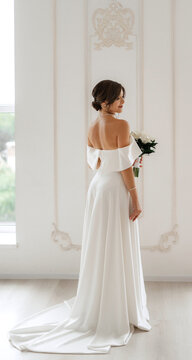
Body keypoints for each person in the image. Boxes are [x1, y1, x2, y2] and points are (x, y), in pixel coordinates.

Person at [8, 79, 151, 354]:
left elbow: (96, 162)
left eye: (124, 98)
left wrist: (129, 161)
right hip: (114, 189)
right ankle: (118, 309)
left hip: (98, 187)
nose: (123, 103)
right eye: (119, 98)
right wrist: (136, 198)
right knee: (116, 242)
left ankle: (100, 303)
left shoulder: (91, 127)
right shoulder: (121, 125)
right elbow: (123, 168)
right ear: (106, 101)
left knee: (101, 243)